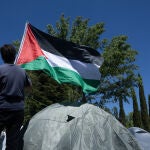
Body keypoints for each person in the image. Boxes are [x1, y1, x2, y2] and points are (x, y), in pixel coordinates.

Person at [0, 44, 32, 150]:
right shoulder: (22, 71)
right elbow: (29, 88)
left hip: (2, 108)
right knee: (13, 143)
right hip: (17, 110)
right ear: (14, 56)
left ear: (2, 56)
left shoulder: (1, 70)